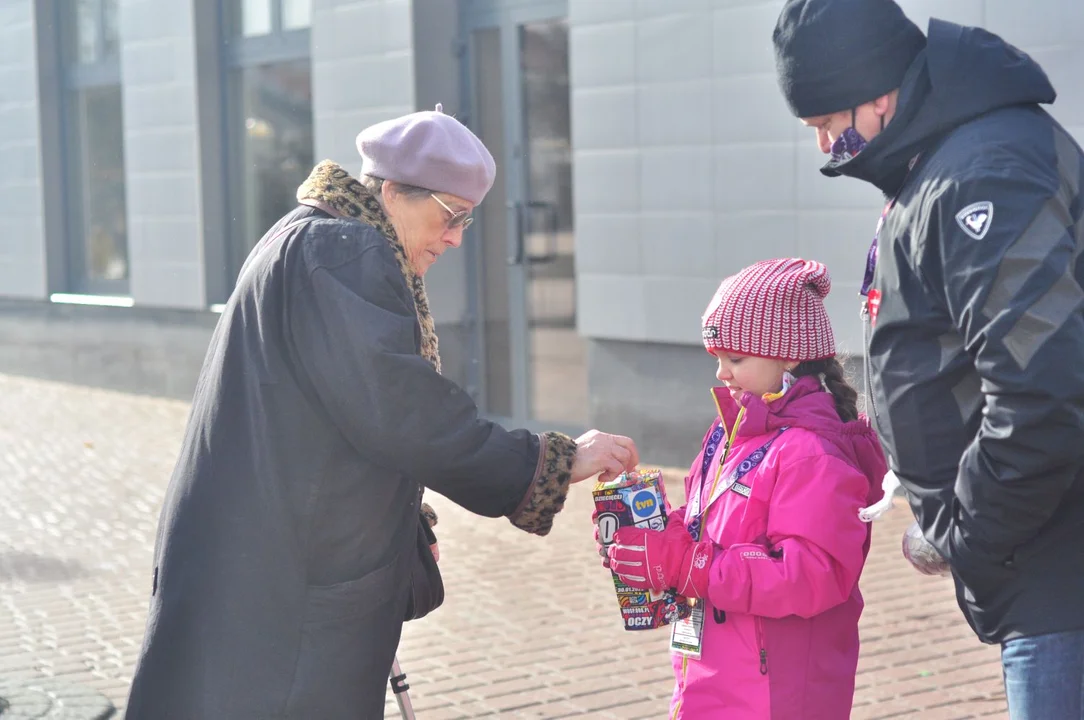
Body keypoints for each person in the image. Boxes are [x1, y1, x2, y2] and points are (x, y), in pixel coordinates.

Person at [124, 105, 639, 719]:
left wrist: (400, 525)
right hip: (282, 577)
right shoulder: (344, 251)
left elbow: (335, 419)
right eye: (449, 216)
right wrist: (549, 461)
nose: (454, 238)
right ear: (393, 191)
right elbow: (400, 408)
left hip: (259, 554)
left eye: (468, 221)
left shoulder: (310, 235)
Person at [771, 1, 1084, 716]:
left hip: (1058, 564)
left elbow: (1040, 393)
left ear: (878, 94)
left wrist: (963, 535)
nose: (825, 147)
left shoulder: (983, 174)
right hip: (1043, 556)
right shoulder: (943, 163)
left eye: (826, 124)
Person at [599, 259, 887, 719]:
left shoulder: (812, 453)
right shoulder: (729, 430)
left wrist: (685, 563)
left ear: (790, 356)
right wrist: (651, 536)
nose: (722, 374)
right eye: (716, 358)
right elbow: (702, 524)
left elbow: (811, 573)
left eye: (736, 359)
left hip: (777, 690)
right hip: (711, 669)